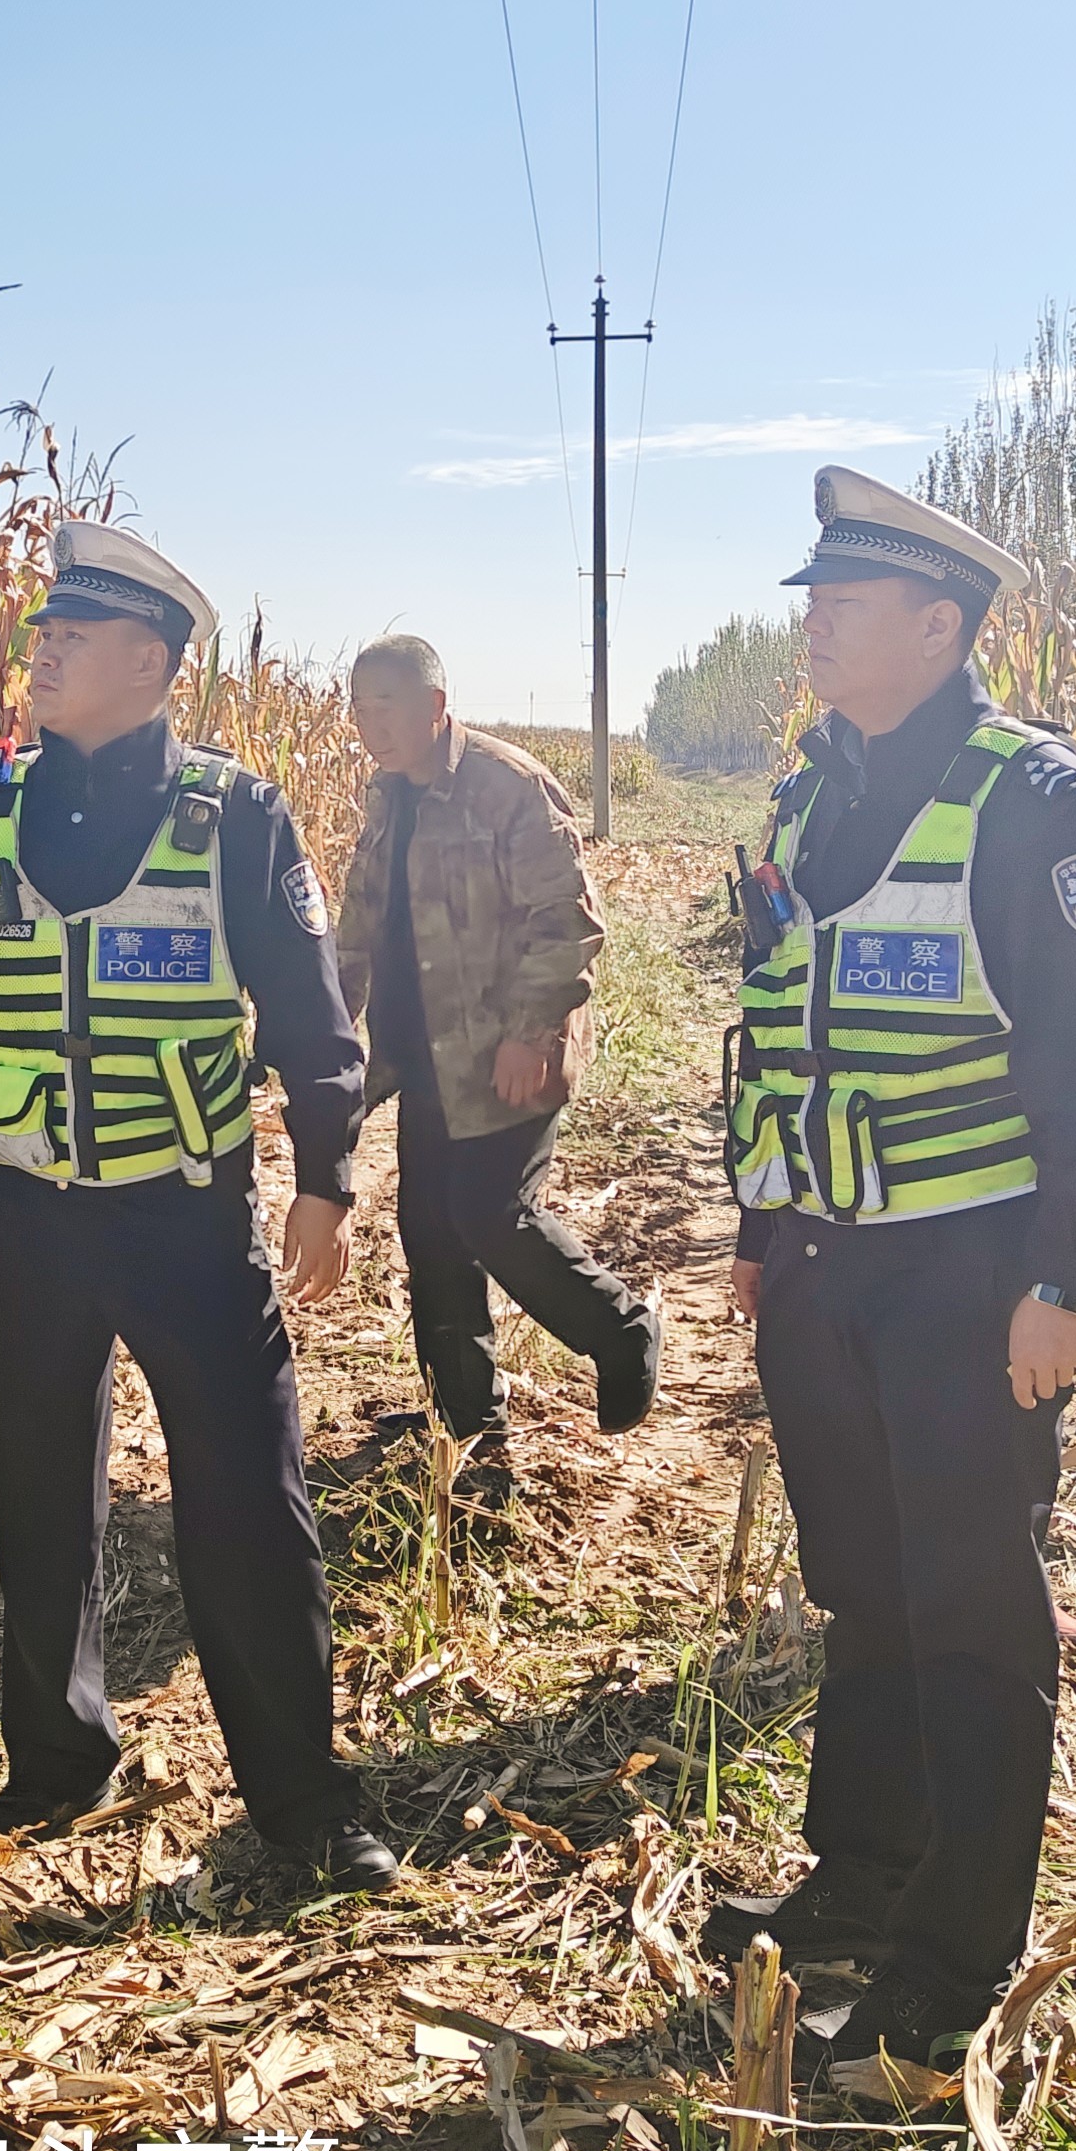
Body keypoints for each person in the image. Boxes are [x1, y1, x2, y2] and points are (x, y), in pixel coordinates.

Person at [701, 468, 1076, 2088]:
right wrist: (763, 1230)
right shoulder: (799, 796)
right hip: (827, 1272)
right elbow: (766, 1024)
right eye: (809, 598)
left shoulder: (1032, 800)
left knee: (970, 1606)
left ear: (939, 623)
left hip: (970, 1274)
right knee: (865, 1584)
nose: (811, 623)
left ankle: (952, 1961)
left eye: (841, 601)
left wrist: (1067, 1277)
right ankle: (864, 1873)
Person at [0, 521, 397, 1892]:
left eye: (75, 634)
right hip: (27, 1217)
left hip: (185, 1220)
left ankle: (302, 1800)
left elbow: (306, 1010)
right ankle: (55, 1757)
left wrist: (328, 1174)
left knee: (246, 1504)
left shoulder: (233, 816)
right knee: (37, 1495)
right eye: (38, 630)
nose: (38, 648)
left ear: (153, 662)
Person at [334, 635, 659, 1502]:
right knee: (429, 1235)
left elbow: (565, 919)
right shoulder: (385, 794)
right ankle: (464, 1421)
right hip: (422, 1053)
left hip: (505, 1051)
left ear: (435, 706)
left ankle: (620, 1328)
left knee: (488, 1214)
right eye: (359, 708)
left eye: (386, 706)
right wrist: (327, 1023)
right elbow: (362, 917)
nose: (370, 725)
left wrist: (533, 1030)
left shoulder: (506, 787)